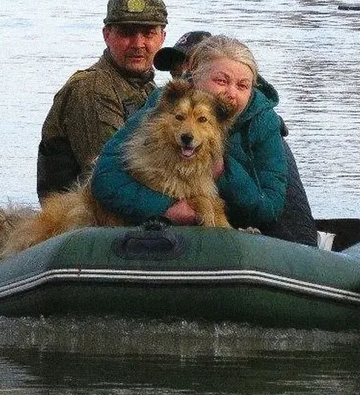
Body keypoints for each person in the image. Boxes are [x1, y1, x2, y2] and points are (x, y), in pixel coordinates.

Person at [91, 34, 318, 246]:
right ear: (195, 75)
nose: (231, 93)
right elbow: (105, 176)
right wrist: (165, 208)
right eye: (221, 81)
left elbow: (269, 208)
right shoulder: (167, 104)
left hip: (250, 235)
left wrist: (224, 173)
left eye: (242, 86)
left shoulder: (264, 122)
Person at [36, 0, 167, 200]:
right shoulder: (91, 88)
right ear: (107, 35)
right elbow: (104, 172)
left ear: (162, 38)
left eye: (148, 33)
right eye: (126, 33)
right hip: (82, 214)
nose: (138, 43)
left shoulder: (148, 88)